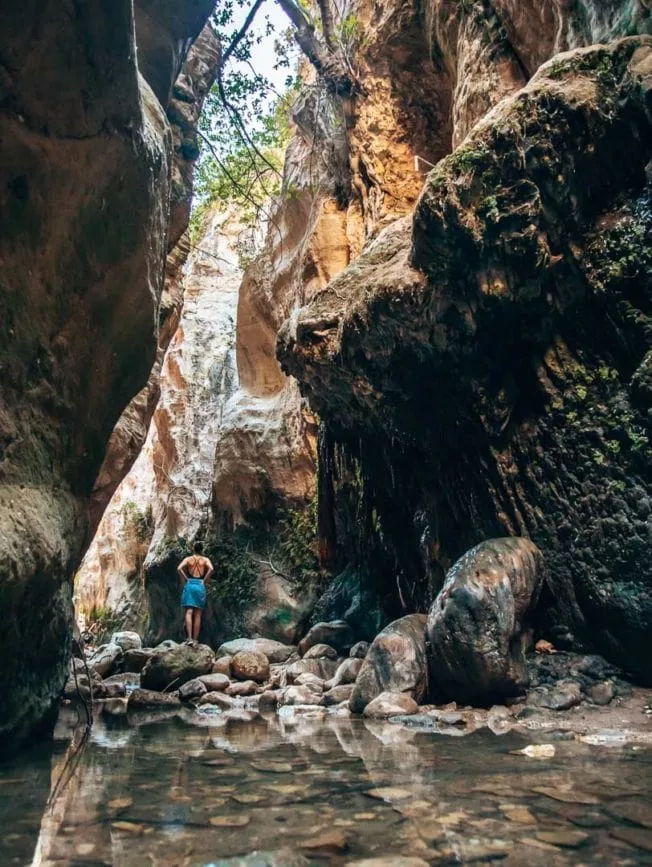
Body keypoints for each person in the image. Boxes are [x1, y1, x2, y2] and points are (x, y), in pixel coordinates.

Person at [177, 541, 214, 642]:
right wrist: (204, 580)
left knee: (189, 612)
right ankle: (195, 640)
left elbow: (179, 568)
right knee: (198, 614)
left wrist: (186, 579)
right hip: (199, 585)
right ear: (202, 549)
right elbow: (211, 569)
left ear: (193, 549)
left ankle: (189, 638)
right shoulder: (205, 560)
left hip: (190, 584)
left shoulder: (188, 559)